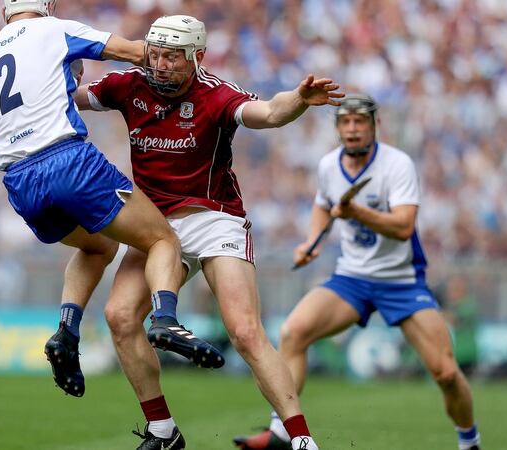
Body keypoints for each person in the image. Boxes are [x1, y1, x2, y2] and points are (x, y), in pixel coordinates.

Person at [74, 15, 342, 450]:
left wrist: (298, 98)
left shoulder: (216, 95)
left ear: (196, 57)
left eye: (170, 57)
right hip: (154, 226)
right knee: (119, 318)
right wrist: (7, 123)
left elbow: (270, 113)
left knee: (245, 332)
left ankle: (300, 439)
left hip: (214, 218)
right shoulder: (128, 84)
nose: (159, 65)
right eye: (154, 54)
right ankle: (163, 431)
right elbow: (66, 100)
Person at [0, 0, 222, 399]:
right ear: (47, 5)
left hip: (19, 180)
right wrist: (184, 55)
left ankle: (67, 332)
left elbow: (19, 106)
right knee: (162, 239)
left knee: (99, 246)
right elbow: (139, 52)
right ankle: (165, 319)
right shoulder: (54, 29)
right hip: (67, 161)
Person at [234, 94, 482, 450]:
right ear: (338, 129)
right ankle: (280, 432)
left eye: (360, 122)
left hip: (401, 280)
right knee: (294, 331)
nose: (352, 130)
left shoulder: (397, 165)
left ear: (374, 126)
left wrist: (357, 213)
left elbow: (403, 226)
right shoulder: (329, 166)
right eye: (345, 123)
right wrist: (311, 242)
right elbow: (323, 205)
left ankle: (469, 441)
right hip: (352, 278)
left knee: (444, 372)